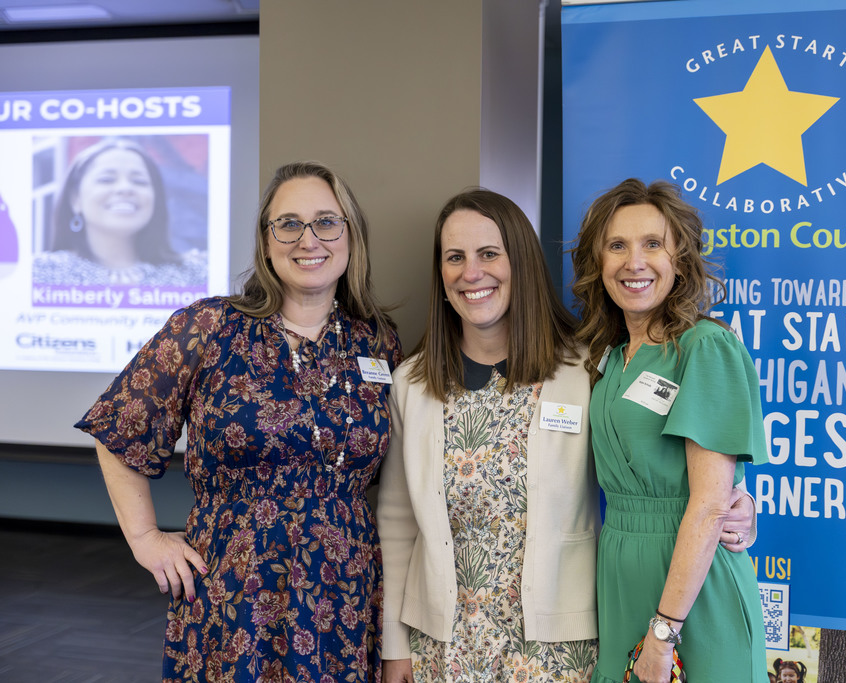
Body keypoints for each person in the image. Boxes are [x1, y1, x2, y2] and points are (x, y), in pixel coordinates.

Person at [377, 188, 755, 683]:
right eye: (455, 257)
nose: (472, 272)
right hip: (444, 644)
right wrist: (393, 645)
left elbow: (665, 465)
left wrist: (736, 503)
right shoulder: (411, 383)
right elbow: (397, 523)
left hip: (561, 645)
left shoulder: (585, 366)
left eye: (490, 253)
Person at [76, 160, 401, 682]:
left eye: (326, 221)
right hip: (234, 589)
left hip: (346, 590)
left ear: (350, 234)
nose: (308, 239)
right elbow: (120, 425)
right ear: (267, 241)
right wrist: (143, 538)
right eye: (288, 223)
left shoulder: (377, 341)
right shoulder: (209, 326)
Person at [572, 178, 769, 683]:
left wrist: (663, 633)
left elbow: (708, 504)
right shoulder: (610, 358)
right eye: (617, 246)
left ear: (680, 259)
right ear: (598, 262)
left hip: (692, 592)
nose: (633, 262)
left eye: (653, 244)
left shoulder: (705, 347)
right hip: (620, 574)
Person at [34, 136, 206, 286]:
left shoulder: (197, 273)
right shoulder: (40, 273)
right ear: (75, 199)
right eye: (107, 179)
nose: (125, 189)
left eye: (139, 181)